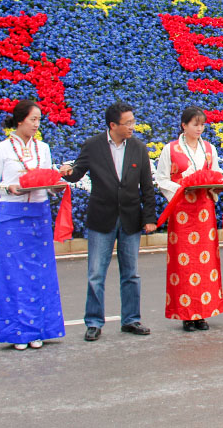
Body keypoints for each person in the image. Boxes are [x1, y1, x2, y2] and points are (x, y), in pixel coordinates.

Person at [60, 102, 157, 342]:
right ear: (113, 125)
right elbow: (78, 172)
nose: (132, 127)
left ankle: (131, 319)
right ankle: (93, 322)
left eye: (133, 122)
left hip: (130, 218)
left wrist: (150, 218)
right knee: (96, 273)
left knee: (131, 273)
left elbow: (146, 186)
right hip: (102, 218)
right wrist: (67, 170)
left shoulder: (138, 148)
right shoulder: (93, 146)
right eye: (128, 123)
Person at [0, 100, 65, 350]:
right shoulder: (1, 149)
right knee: (13, 273)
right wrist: (7, 187)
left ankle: (40, 328)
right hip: (12, 214)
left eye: (39, 120)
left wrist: (56, 183)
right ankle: (18, 331)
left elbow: (47, 181)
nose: (36, 124)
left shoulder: (43, 148)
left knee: (40, 272)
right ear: (19, 120)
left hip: (39, 213)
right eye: (32, 119)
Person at [154, 106, 223, 332]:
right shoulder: (171, 149)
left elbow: (215, 174)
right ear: (183, 125)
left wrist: (213, 184)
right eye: (195, 124)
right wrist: (182, 187)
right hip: (183, 211)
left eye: (202, 124)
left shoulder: (208, 148)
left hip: (204, 211)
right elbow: (161, 178)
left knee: (206, 262)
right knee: (183, 262)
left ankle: (203, 312)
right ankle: (187, 313)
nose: (199, 128)